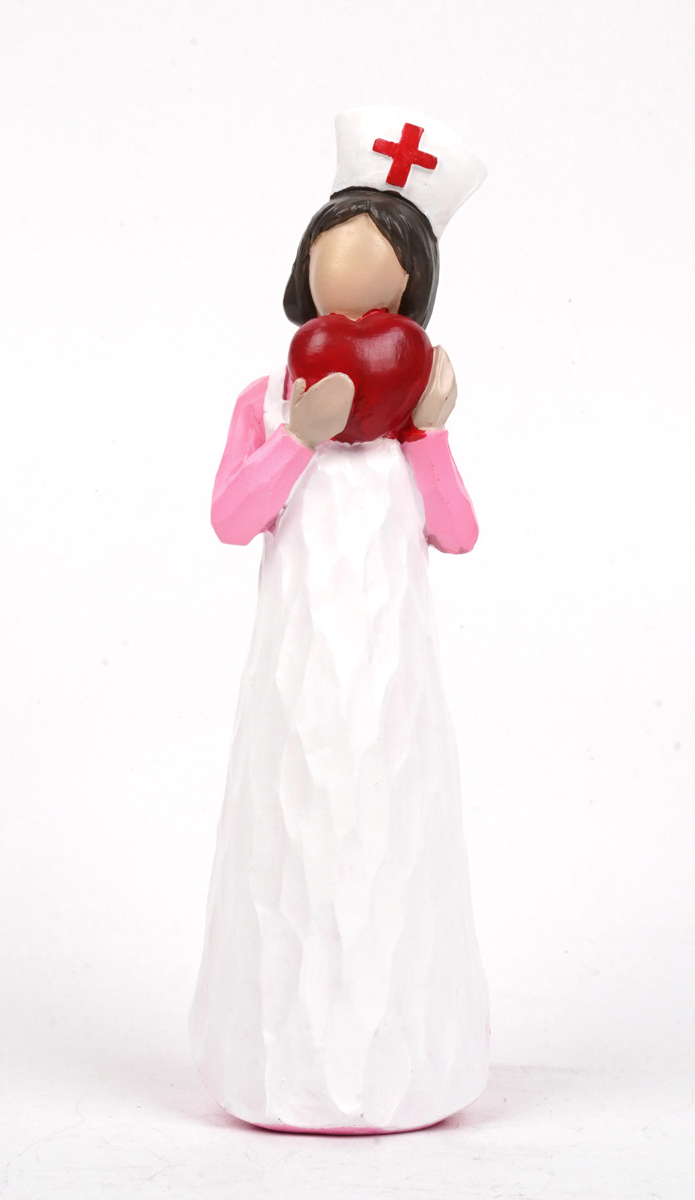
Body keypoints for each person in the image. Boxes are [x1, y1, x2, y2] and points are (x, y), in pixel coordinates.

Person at [190, 108, 489, 1133]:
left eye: (378, 273)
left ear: (411, 290)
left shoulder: (412, 410)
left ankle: (408, 1057)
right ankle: (274, 1057)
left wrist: (430, 433)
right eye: (334, 262)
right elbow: (232, 518)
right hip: (296, 683)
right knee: (293, 846)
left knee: (388, 844)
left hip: (394, 689)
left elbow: (456, 531)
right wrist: (299, 438)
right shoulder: (267, 398)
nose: (352, 289)